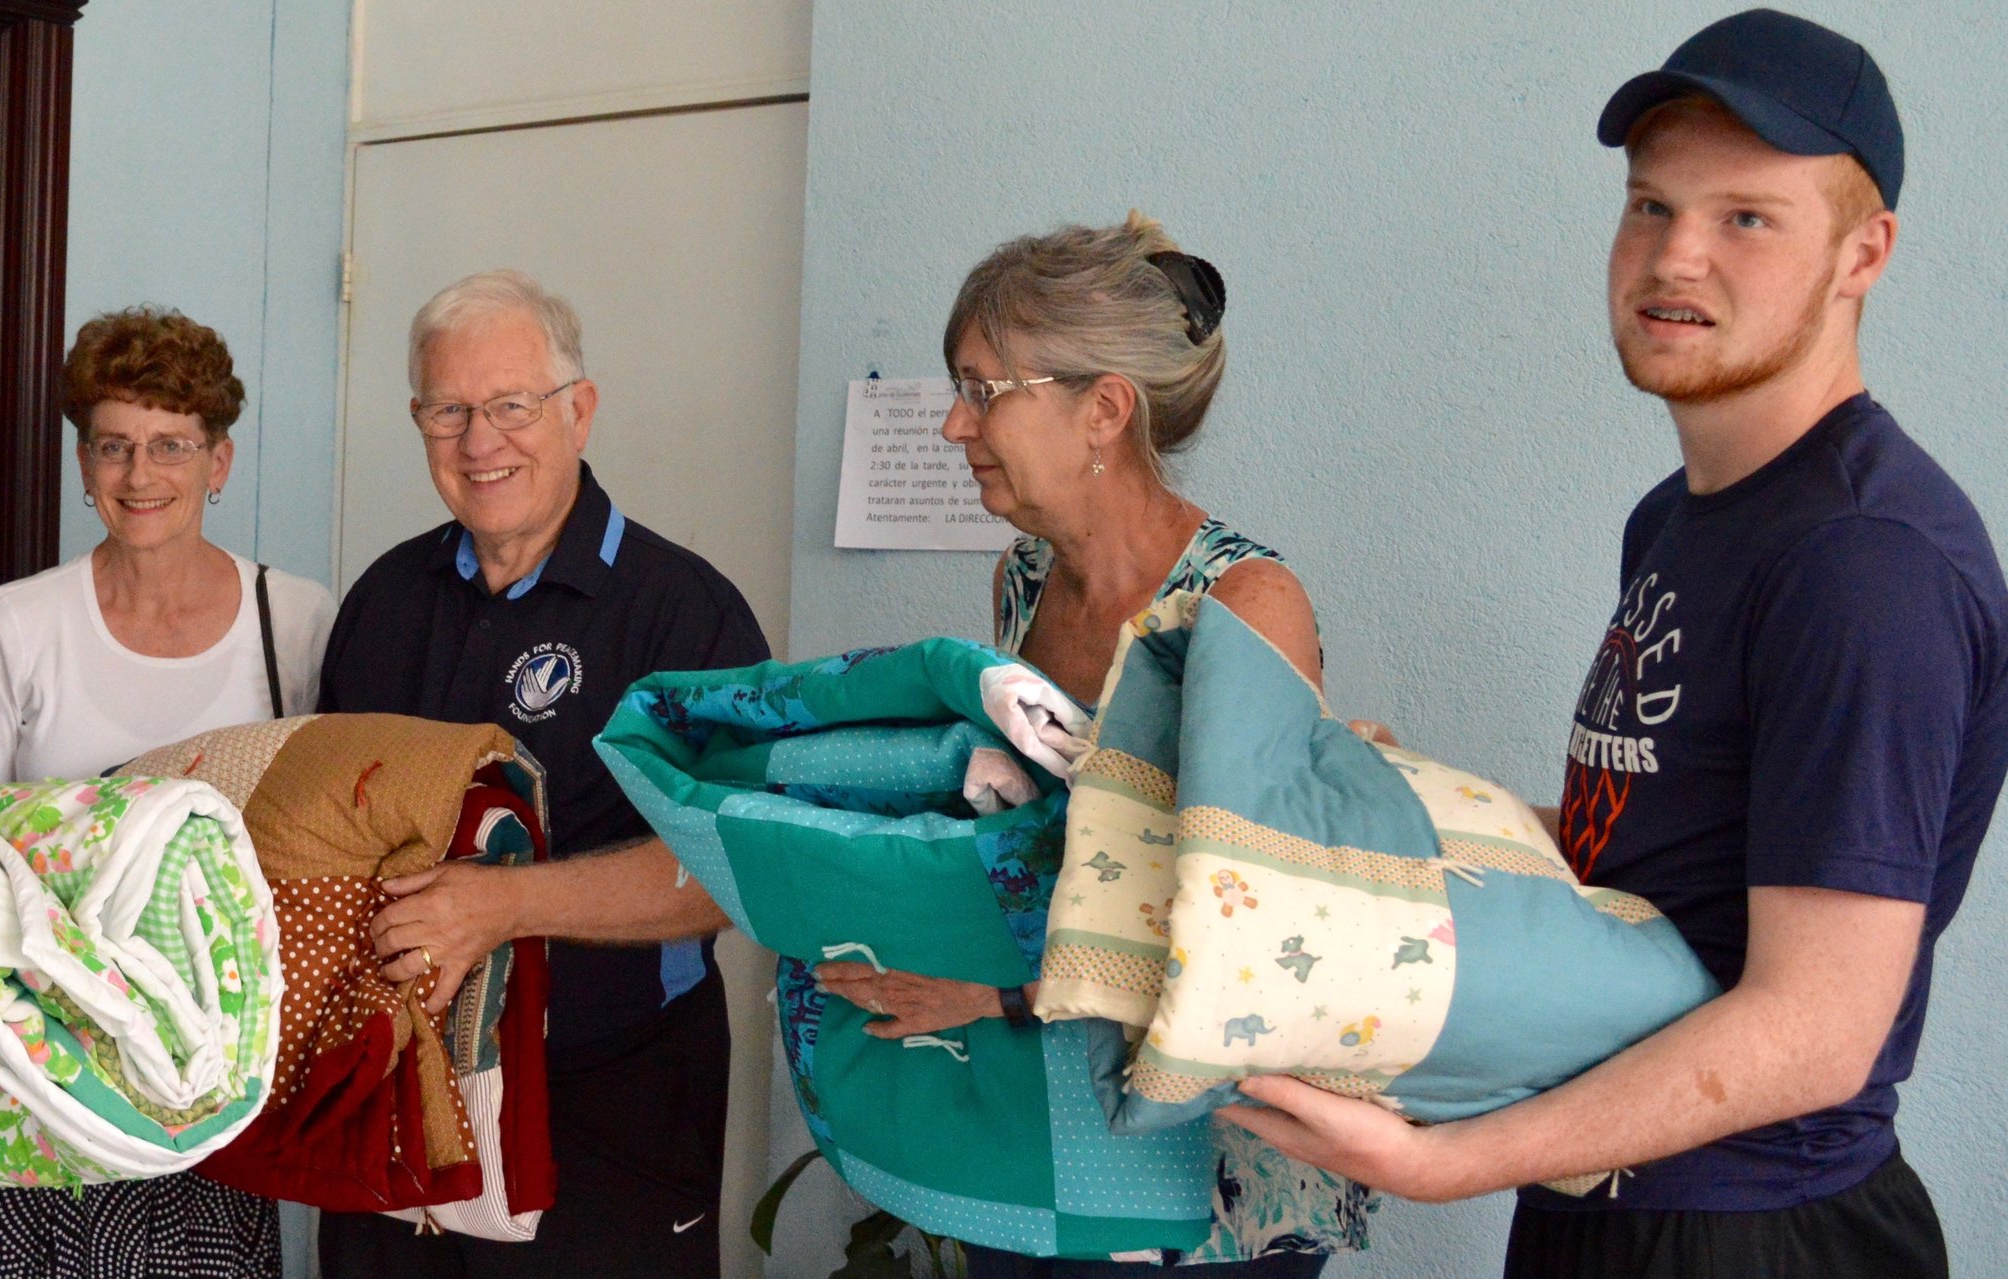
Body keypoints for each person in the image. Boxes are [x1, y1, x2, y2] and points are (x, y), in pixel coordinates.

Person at [1220, 12, 2005, 1279]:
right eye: (1649, 207)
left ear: (1864, 252)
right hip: (1608, 1203)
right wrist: (1396, 801)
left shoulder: (1865, 561)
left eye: (1745, 217)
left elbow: (1816, 1028)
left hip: (1757, 1229)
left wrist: (1443, 1163)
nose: (1673, 256)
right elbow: (1648, 840)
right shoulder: (1679, 518)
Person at [811, 214, 1359, 1277]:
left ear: (1102, 409)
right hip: (1054, 1120)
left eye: (981, 391)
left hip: (1208, 1167)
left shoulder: (1244, 604)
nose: (953, 429)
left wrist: (992, 993)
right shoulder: (1025, 577)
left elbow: (1251, 923)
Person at [313, 269, 770, 1279]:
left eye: (512, 405)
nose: (481, 442)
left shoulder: (682, 613)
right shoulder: (383, 600)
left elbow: (734, 867)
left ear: (580, 410)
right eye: (448, 411)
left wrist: (501, 905)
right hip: (396, 1091)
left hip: (607, 1105)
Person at [0, 306, 337, 1278]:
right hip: (41, 1083)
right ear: (82, 465)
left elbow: (329, 843)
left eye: (170, 444)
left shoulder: (298, 617)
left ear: (219, 461)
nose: (139, 475)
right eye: (113, 446)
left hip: (214, 1089)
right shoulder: (17, 626)